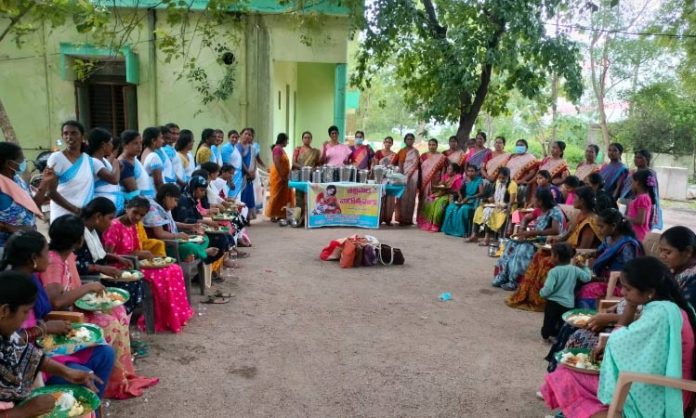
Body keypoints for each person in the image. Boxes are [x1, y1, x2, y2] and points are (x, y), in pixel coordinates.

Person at [541, 256, 696, 418]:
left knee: (566, 375)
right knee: (574, 371)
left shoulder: (660, 313)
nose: (622, 293)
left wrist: (629, 307)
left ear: (650, 292)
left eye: (628, 289)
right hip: (663, 385)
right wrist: (631, 303)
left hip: (656, 393)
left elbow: (618, 342)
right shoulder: (670, 308)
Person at [38, 215, 158, 398]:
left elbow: (73, 286)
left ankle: (119, 375)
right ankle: (108, 379)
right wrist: (89, 287)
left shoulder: (67, 256)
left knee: (117, 310)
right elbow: (56, 301)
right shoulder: (54, 261)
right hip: (63, 318)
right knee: (109, 324)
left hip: (74, 309)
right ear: (79, 240)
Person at [2, 231, 116, 401]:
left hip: (38, 348)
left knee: (105, 353)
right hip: (34, 355)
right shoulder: (11, 291)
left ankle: (92, 405)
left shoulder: (30, 280)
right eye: (46, 252)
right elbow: (15, 341)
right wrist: (45, 328)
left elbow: (23, 349)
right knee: (85, 375)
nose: (49, 257)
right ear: (33, 258)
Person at [0, 271, 105, 416]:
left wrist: (68, 372)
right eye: (25, 312)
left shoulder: (7, 336)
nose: (24, 321)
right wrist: (23, 411)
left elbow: (31, 356)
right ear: (4, 311)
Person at [102, 197, 193, 333]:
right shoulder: (115, 226)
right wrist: (138, 255)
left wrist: (143, 255)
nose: (138, 217)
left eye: (142, 215)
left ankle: (173, 316)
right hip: (121, 268)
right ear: (127, 208)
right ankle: (159, 318)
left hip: (136, 264)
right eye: (135, 212)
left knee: (174, 269)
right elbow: (107, 256)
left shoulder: (133, 225)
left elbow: (136, 250)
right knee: (164, 275)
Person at [506, 186, 601, 311]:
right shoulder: (579, 215)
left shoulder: (591, 221)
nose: (572, 200)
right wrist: (556, 240)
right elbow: (566, 235)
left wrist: (560, 247)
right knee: (539, 254)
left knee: (546, 262)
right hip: (567, 250)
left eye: (576, 198)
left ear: (582, 201)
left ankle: (542, 299)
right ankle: (530, 295)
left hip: (575, 256)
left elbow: (583, 249)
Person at [492, 189, 564, 291]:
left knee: (522, 249)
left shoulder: (555, 211)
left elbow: (555, 230)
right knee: (511, 244)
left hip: (544, 241)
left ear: (541, 201)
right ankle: (503, 275)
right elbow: (526, 218)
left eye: (535, 199)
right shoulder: (539, 209)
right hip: (533, 237)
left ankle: (514, 281)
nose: (533, 201)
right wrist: (522, 230)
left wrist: (532, 233)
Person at [143, 184, 225, 271]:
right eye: (175, 200)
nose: (176, 204)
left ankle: (197, 252)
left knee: (205, 238)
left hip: (175, 240)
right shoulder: (153, 209)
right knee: (190, 248)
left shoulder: (163, 207)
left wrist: (190, 226)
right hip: (166, 245)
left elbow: (172, 223)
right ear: (167, 196)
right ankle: (204, 252)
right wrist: (178, 235)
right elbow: (159, 234)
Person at [576, 209, 644, 308]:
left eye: (601, 227)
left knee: (588, 290)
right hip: (603, 277)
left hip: (619, 284)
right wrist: (584, 256)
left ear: (613, 226)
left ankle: (587, 318)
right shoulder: (609, 239)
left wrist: (600, 279)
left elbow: (629, 272)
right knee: (574, 279)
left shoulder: (627, 246)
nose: (599, 230)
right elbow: (598, 252)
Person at [46, 120, 100, 222]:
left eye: (74, 133)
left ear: (82, 136)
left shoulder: (87, 159)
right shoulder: (57, 158)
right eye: (66, 133)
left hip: (84, 214)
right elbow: (51, 192)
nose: (69, 137)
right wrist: (76, 210)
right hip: (63, 214)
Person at [0, 142, 49, 251]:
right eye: (21, 159)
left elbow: (32, 205)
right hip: (5, 247)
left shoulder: (17, 179)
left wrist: (45, 182)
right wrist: (11, 228)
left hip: (25, 244)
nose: (24, 162)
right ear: (10, 164)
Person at [539, 243, 592, 340]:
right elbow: (587, 278)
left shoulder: (554, 271)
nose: (550, 257)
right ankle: (559, 336)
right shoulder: (575, 269)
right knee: (562, 322)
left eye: (551, 255)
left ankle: (546, 334)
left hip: (553, 303)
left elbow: (549, 288)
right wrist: (584, 267)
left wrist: (542, 293)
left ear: (556, 257)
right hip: (568, 303)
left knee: (549, 321)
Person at [469, 166, 517, 245]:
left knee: (489, 211)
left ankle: (486, 239)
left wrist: (502, 206)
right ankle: (474, 235)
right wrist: (487, 200)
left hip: (507, 207)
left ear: (508, 176)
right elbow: (493, 197)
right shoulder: (497, 182)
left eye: (503, 178)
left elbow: (512, 202)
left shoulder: (512, 185)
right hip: (496, 205)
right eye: (499, 177)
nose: (501, 180)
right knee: (479, 209)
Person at [620, 149, 662, 231]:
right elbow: (625, 188)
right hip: (628, 203)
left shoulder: (650, 173)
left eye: (639, 157)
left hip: (642, 205)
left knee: (639, 226)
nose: (636, 159)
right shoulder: (632, 172)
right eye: (635, 157)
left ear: (647, 159)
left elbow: (652, 191)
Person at [441, 165, 485, 238]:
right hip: (464, 200)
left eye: (472, 171)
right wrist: (460, 196)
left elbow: (482, 193)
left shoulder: (479, 180)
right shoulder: (465, 179)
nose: (470, 173)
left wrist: (470, 197)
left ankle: (462, 232)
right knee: (451, 207)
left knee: (463, 209)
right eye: (468, 171)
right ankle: (450, 230)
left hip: (473, 201)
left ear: (476, 172)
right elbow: (459, 189)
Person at [418, 163, 464, 232]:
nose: (448, 170)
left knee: (439, 203)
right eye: (447, 169)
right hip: (442, 193)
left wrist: (449, 189)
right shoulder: (446, 176)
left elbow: (459, 190)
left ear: (455, 171)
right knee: (428, 199)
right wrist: (440, 186)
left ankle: (435, 225)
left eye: (450, 169)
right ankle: (427, 222)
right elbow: (441, 184)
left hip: (450, 195)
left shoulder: (458, 177)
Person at [87, 127, 123, 214]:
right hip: (104, 207)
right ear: (103, 145)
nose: (112, 145)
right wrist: (115, 162)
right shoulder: (94, 161)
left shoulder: (104, 160)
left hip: (113, 205)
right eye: (110, 142)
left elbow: (115, 174)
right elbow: (114, 179)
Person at [660, 226, 696, 308]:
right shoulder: (676, 269)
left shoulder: (693, 279)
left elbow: (684, 310)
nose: (661, 256)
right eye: (661, 250)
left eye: (668, 252)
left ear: (688, 251)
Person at [416, 139, 447, 230]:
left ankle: (430, 221)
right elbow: (420, 169)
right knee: (423, 199)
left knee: (433, 200)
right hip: (424, 181)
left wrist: (442, 181)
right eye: (430, 144)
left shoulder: (442, 157)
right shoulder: (423, 156)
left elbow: (443, 170)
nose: (431, 146)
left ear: (437, 145)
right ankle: (421, 220)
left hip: (436, 181)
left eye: (433, 144)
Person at [266, 133, 295, 221]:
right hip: (278, 175)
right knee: (276, 195)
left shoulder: (281, 149)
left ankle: (280, 214)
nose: (288, 142)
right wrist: (282, 175)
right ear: (283, 140)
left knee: (283, 196)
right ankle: (272, 214)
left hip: (284, 174)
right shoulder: (277, 149)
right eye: (287, 140)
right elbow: (277, 163)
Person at [393, 133, 420, 226]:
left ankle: (409, 219)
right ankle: (401, 218)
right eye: (408, 139)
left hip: (414, 176)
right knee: (403, 197)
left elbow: (418, 164)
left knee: (411, 197)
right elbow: (398, 163)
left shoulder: (416, 151)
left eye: (411, 139)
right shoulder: (402, 151)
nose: (410, 141)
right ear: (405, 140)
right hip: (404, 175)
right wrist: (401, 175)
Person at [118, 130, 151, 200]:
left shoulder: (134, 159)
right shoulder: (123, 163)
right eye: (135, 143)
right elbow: (133, 191)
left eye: (141, 143)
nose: (140, 146)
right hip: (138, 203)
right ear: (125, 145)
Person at [505, 139, 539, 206]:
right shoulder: (512, 157)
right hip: (508, 181)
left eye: (521, 145)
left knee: (520, 189)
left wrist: (521, 180)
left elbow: (532, 173)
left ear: (526, 147)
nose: (519, 147)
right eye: (517, 145)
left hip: (521, 183)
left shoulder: (530, 158)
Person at [625, 169, 655, 241]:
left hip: (639, 236)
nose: (631, 185)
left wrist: (625, 217)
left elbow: (641, 221)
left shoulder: (643, 198)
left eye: (632, 182)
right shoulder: (640, 197)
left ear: (637, 183)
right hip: (634, 234)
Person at [373, 136, 397, 225]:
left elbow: (395, 168)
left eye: (390, 142)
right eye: (386, 141)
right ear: (384, 142)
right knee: (380, 197)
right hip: (379, 178)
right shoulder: (378, 153)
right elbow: (375, 165)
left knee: (390, 198)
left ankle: (388, 219)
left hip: (389, 179)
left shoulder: (395, 155)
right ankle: (378, 218)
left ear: (392, 144)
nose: (388, 143)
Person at [237, 128, 258, 219]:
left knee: (248, 196)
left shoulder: (252, 148)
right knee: (241, 195)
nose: (247, 136)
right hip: (241, 175)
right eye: (246, 134)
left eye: (250, 135)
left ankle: (248, 217)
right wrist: (248, 172)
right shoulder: (238, 146)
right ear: (241, 134)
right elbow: (240, 161)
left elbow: (254, 161)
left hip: (250, 175)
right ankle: (241, 216)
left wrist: (253, 172)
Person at [140, 126, 166, 196]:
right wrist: (164, 196)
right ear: (153, 140)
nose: (163, 141)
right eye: (161, 138)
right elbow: (158, 182)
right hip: (154, 194)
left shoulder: (145, 152)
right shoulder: (154, 156)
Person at [222, 129, 245, 199]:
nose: (234, 139)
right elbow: (226, 164)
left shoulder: (234, 147)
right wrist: (230, 180)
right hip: (232, 175)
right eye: (232, 137)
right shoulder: (226, 148)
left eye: (236, 137)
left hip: (237, 175)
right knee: (231, 195)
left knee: (237, 197)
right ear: (229, 137)